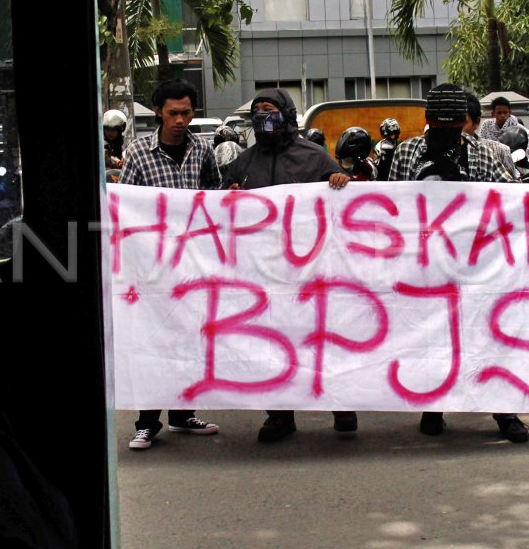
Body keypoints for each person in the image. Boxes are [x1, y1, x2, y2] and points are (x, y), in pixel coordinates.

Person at [390, 84, 529, 442]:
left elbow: (515, 199)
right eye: (439, 125)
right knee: (432, 338)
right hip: (428, 268)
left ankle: (504, 411)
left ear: (465, 121)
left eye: (454, 124)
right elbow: (391, 208)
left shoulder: (488, 152)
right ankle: (433, 406)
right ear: (428, 120)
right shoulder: (407, 152)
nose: (446, 132)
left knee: (490, 336)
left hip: (481, 267)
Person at [222, 87, 355, 443]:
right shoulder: (244, 163)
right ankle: (280, 414)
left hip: (312, 269)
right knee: (274, 343)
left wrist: (340, 181)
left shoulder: (314, 157)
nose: (263, 117)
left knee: (322, 338)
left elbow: (346, 203)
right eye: (258, 111)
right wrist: (230, 193)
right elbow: (223, 205)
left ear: (287, 114)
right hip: (264, 272)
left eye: (270, 110)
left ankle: (341, 405)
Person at [119, 79, 222, 449]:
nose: (180, 120)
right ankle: (147, 422)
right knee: (151, 340)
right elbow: (124, 204)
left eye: (187, 112)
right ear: (160, 112)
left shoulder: (203, 151)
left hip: (192, 265)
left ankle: (183, 414)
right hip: (151, 266)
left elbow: (214, 196)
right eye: (173, 113)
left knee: (187, 340)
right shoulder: (137, 153)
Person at [478, 95, 529, 161]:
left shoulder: (514, 124)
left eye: (505, 112)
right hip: (492, 160)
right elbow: (479, 141)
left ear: (509, 113)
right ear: (493, 114)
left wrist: (524, 153)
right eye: (499, 113)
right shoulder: (487, 125)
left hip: (512, 160)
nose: (502, 115)